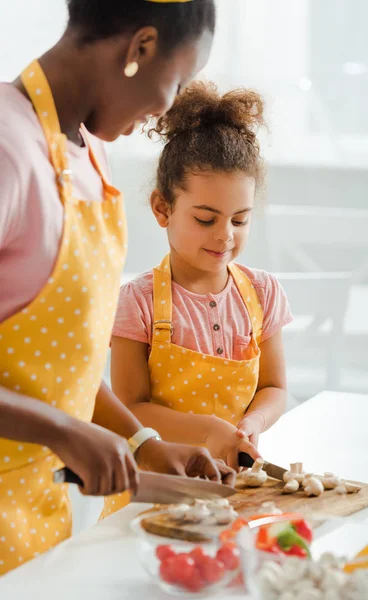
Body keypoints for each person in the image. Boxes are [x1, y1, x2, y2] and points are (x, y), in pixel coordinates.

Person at [0, 0, 238, 576]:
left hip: (46, 518)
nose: (169, 109)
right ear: (141, 48)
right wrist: (62, 430)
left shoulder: (89, 151)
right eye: (177, 82)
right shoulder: (7, 149)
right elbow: (56, 408)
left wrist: (141, 442)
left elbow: (64, 364)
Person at [103, 81, 293, 516]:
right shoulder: (138, 302)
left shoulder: (261, 293)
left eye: (240, 220)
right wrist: (207, 430)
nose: (225, 235)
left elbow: (274, 387)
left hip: (237, 488)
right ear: (162, 209)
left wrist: (252, 423)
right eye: (206, 219)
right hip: (155, 494)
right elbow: (130, 408)